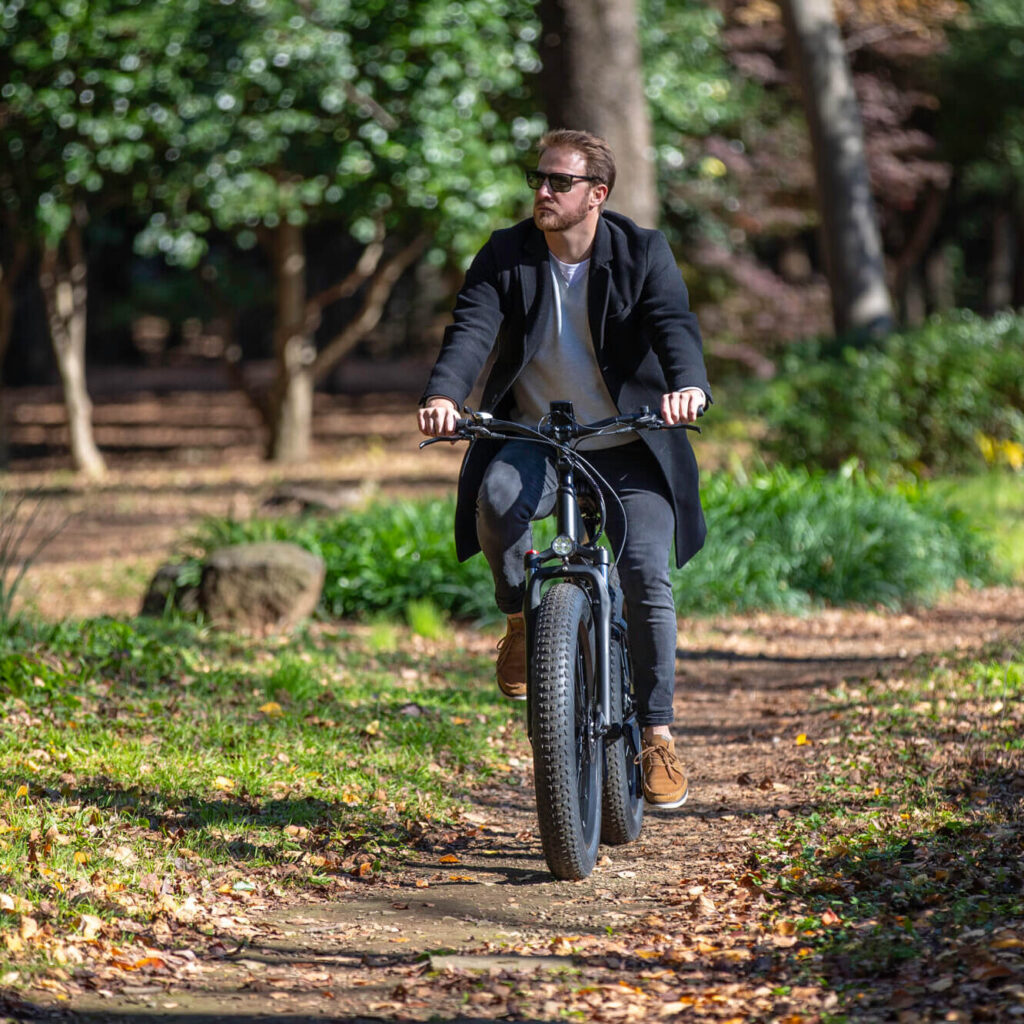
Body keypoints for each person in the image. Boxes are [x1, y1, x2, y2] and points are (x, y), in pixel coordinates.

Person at [417, 128, 710, 809]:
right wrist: (442, 395)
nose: (542, 192)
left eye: (559, 182)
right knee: (496, 496)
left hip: (630, 443)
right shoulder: (506, 252)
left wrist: (687, 385)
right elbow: (471, 329)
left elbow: (674, 325)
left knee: (642, 570)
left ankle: (656, 736)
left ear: (596, 195)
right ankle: (521, 621)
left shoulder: (642, 252)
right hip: (539, 437)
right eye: (538, 180)